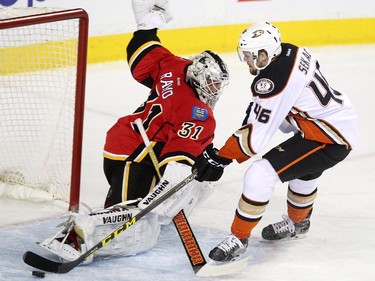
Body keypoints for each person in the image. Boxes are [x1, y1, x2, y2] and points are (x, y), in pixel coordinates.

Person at [38, 0, 229, 263]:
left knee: (199, 175)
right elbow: (177, 169)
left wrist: (148, 25)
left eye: (217, 85)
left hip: (125, 141)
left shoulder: (174, 65)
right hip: (135, 155)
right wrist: (162, 200)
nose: (213, 90)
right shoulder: (199, 114)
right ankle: (76, 233)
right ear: (197, 76)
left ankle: (117, 211)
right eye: (210, 83)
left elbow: (140, 50)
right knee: (137, 231)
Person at [192, 21, 358, 262]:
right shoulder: (291, 50)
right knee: (305, 170)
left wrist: (220, 157)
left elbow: (254, 140)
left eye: (250, 56)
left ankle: (239, 238)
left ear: (265, 54)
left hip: (331, 136)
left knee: (260, 174)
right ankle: (298, 224)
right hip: (335, 120)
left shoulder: (273, 82)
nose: (247, 61)